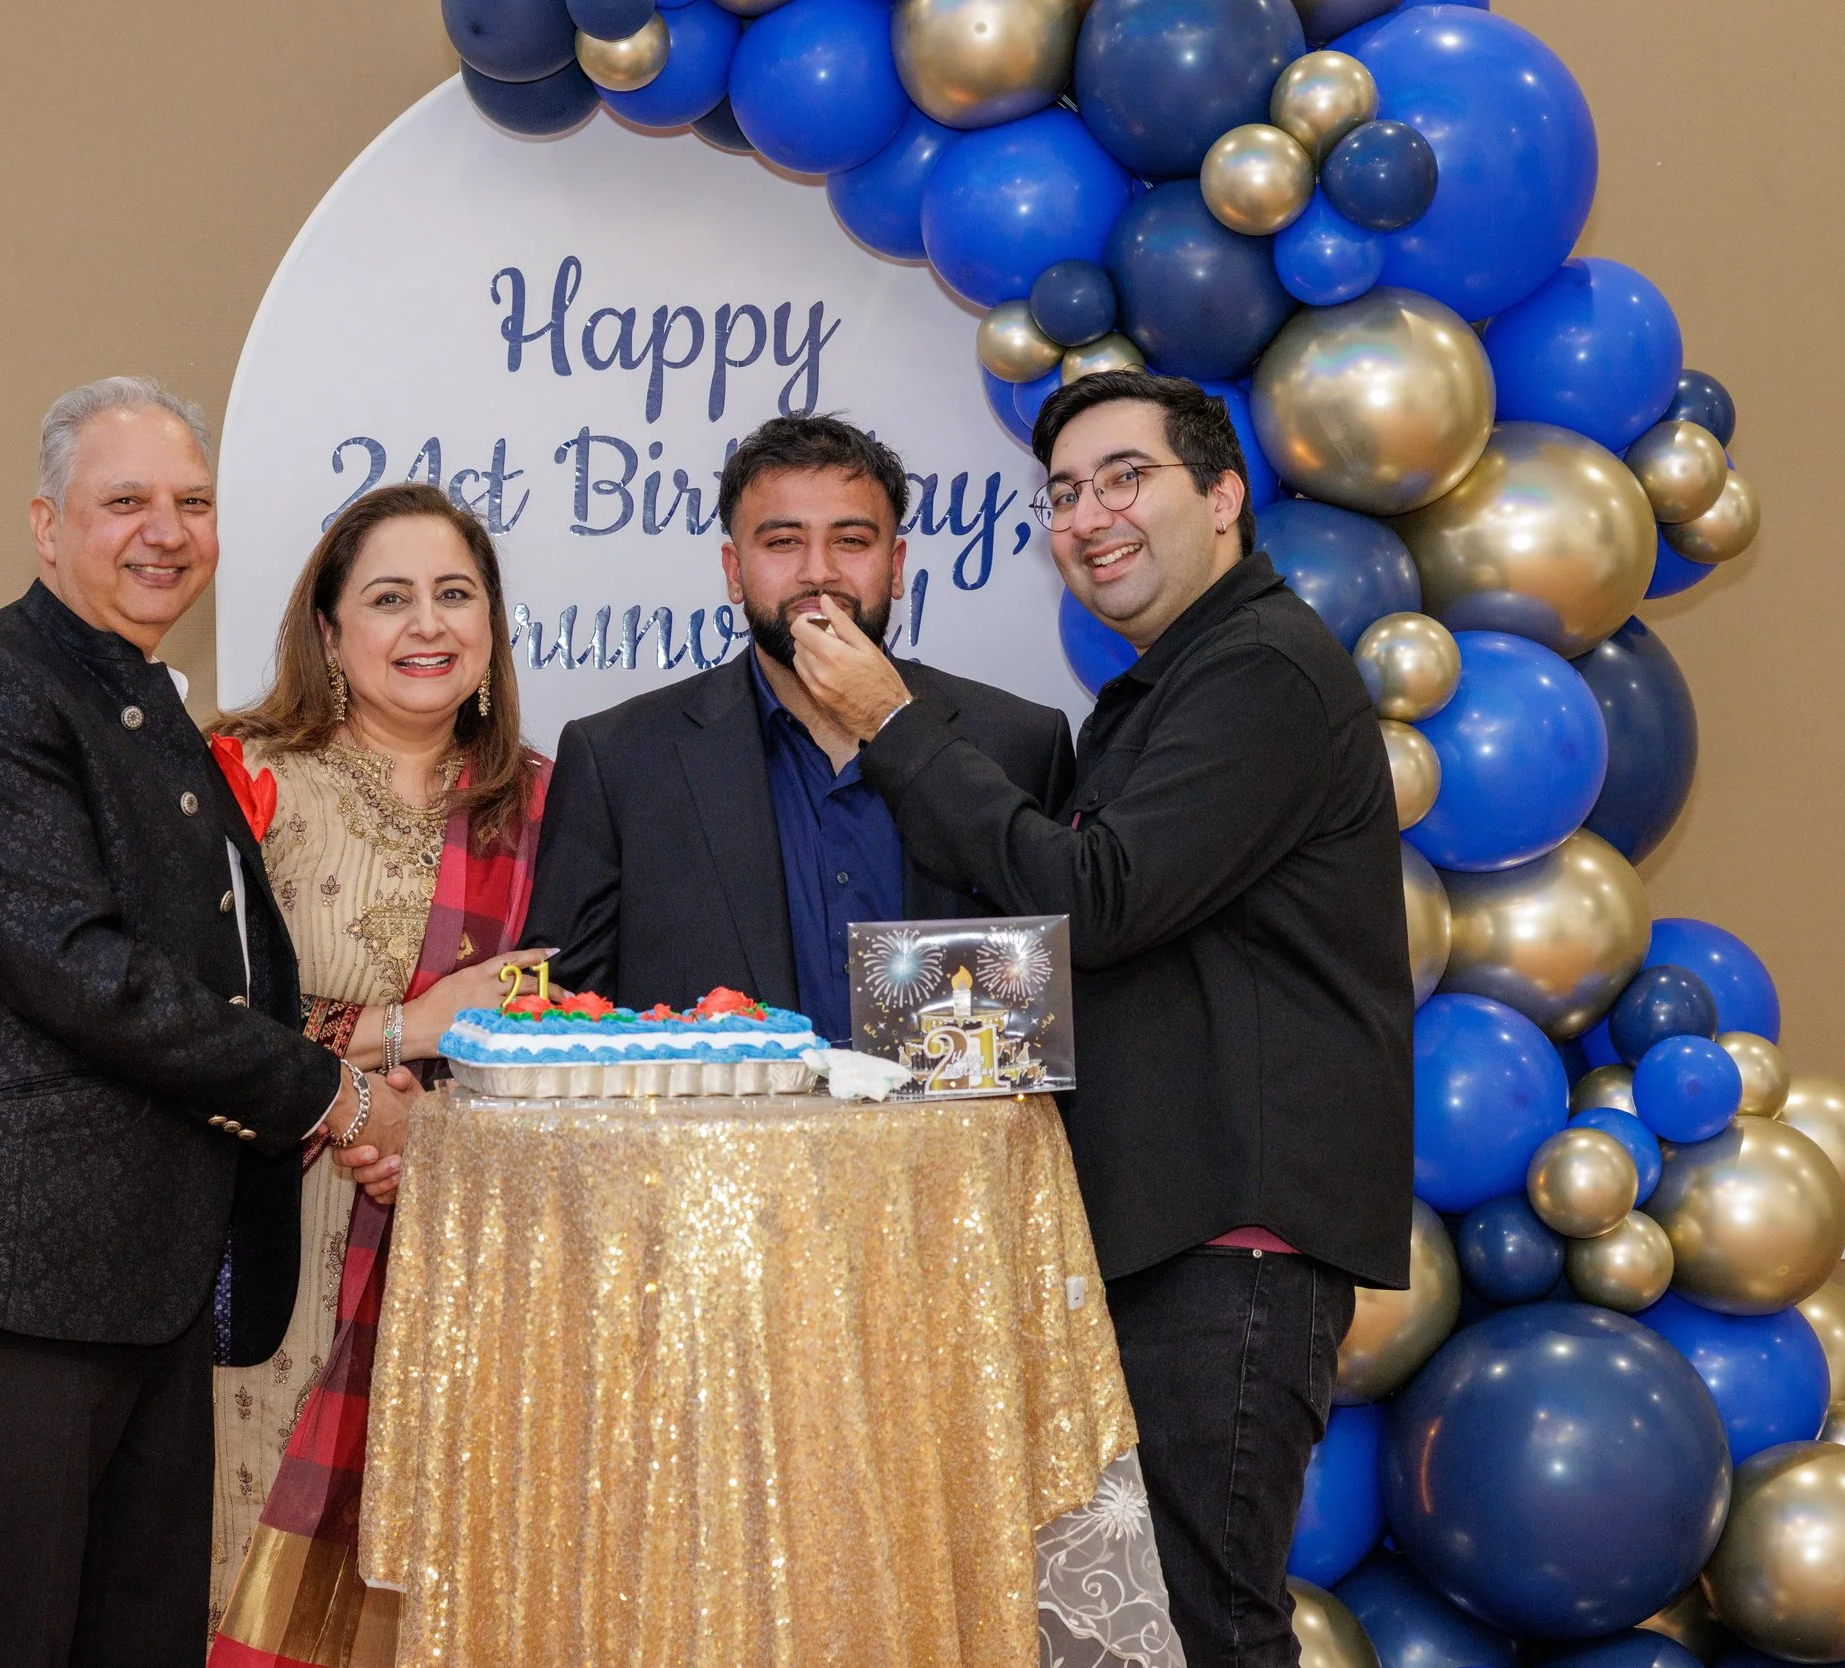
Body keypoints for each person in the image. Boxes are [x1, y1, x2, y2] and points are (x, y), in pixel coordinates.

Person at [786, 369, 1413, 1668]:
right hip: (1154, 1235)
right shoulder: (1172, 685)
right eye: (1063, 492)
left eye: (1126, 477)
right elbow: (1091, 963)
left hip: (1226, 1247)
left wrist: (896, 725)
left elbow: (1095, 902)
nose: (1088, 515)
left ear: (1226, 494)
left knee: (1199, 1625)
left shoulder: (1263, 675)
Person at [0, 376, 417, 1668]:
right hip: (18, 1285)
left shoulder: (151, 706)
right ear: (48, 526)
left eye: (193, 503)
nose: (165, 531)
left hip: (155, 1284)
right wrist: (337, 1100)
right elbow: (84, 974)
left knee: (143, 1644)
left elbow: (227, 983)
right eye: (126, 503)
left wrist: (339, 1092)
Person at [201, 481, 551, 1664]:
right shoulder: (246, 782)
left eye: (456, 595)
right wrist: (411, 1028)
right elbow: (187, 1019)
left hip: (476, 1251)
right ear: (328, 631)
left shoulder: (550, 805)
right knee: (249, 1565)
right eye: (389, 598)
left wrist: (437, 1133)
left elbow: (584, 1039)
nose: (427, 625)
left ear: (494, 627)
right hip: (273, 1233)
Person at [522, 413, 1075, 1040]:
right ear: (734, 571)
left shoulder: (1019, 744)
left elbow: (1063, 1004)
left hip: (956, 1139)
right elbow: (561, 1024)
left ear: (896, 566)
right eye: (783, 542)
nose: (819, 572)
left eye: (852, 541)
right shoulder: (618, 761)